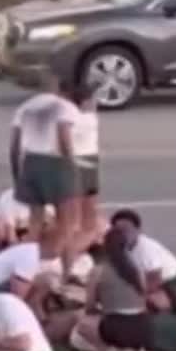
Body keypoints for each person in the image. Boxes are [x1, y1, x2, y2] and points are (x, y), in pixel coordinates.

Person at [10, 74, 83, 277]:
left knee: (35, 224)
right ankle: (66, 272)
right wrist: (73, 167)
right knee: (68, 223)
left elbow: (14, 145)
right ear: (58, 86)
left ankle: (26, 272)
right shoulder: (64, 107)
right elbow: (64, 136)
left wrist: (18, 174)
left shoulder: (24, 108)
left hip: (30, 163)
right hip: (56, 163)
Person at [76, 228, 150, 351]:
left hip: (115, 327)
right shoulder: (137, 269)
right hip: (143, 327)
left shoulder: (98, 271)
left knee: (82, 325)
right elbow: (143, 297)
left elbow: (89, 306)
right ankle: (138, 349)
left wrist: (101, 307)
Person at [109, 209, 176, 315]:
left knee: (142, 303)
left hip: (175, 288)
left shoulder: (146, 248)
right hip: (153, 285)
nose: (123, 233)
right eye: (119, 230)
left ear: (138, 230)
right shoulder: (120, 247)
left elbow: (154, 281)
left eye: (127, 229)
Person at [68, 84, 107, 257]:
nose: (95, 103)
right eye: (92, 100)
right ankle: (71, 254)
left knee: (74, 219)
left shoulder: (67, 120)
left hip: (70, 165)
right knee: (88, 223)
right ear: (85, 103)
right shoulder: (90, 119)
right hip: (87, 164)